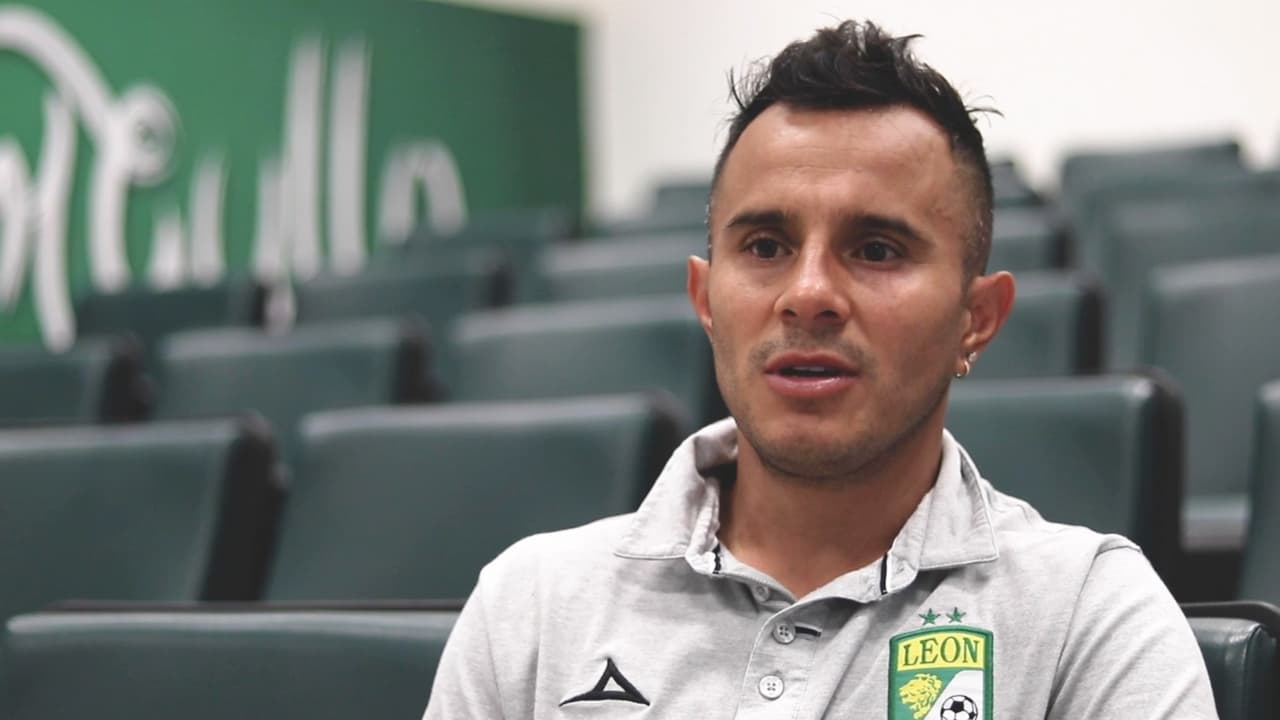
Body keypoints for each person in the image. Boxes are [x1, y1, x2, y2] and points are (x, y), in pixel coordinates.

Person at [423, 19, 1217, 719]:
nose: (808, 295)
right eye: (766, 246)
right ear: (706, 299)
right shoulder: (530, 606)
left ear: (976, 319)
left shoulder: (1090, 618)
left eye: (877, 249)